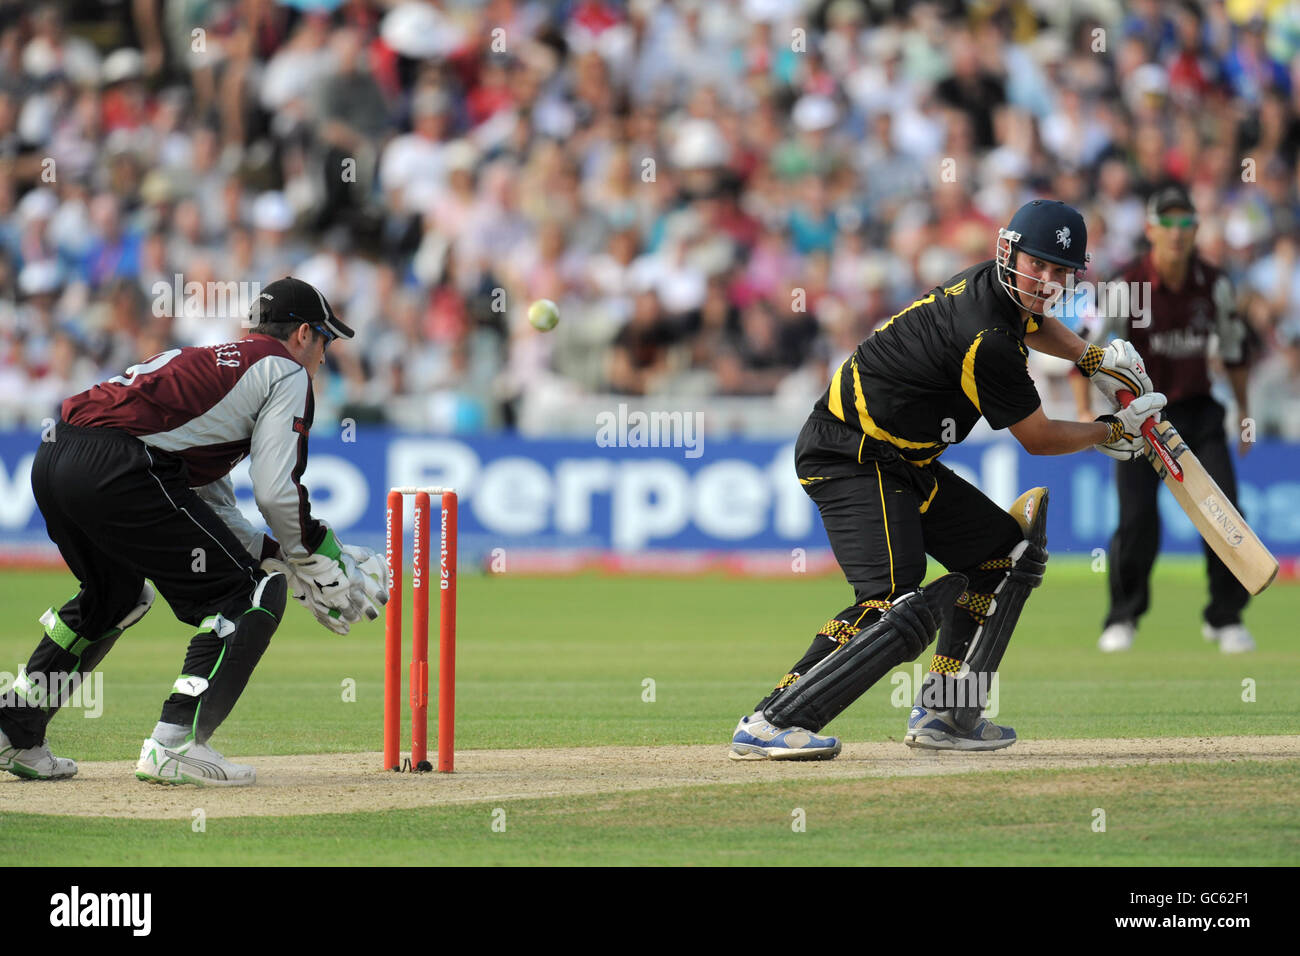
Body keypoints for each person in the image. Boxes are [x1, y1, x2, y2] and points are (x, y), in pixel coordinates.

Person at [730, 199, 1164, 760]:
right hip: (849, 452)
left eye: (1061, 272)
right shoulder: (988, 342)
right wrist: (1109, 431)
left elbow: (1034, 323)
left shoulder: (997, 289)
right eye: (1039, 265)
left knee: (1003, 555)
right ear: (1009, 252)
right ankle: (771, 719)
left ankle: (945, 710)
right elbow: (1037, 437)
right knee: (893, 596)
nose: (1048, 281)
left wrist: (1092, 357)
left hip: (906, 460)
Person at [0, 277, 389, 785]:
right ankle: (176, 743)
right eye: (326, 340)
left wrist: (287, 558)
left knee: (115, 596)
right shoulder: (287, 371)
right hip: (119, 464)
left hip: (57, 456)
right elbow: (274, 491)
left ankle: (14, 729)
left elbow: (212, 510)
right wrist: (317, 552)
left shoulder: (216, 366)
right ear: (301, 335)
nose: (325, 355)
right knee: (246, 594)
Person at [1073, 185, 1256, 653]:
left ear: (1195, 228)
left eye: (1185, 222)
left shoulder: (1214, 283)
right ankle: (1123, 617)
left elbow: (1234, 352)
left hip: (1197, 414)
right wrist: (1082, 412)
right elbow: (1084, 351)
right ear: (1151, 229)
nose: (1176, 233)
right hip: (1139, 419)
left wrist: (1245, 413)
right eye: (1166, 222)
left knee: (1226, 514)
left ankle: (1225, 617)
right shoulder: (1124, 286)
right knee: (1136, 521)